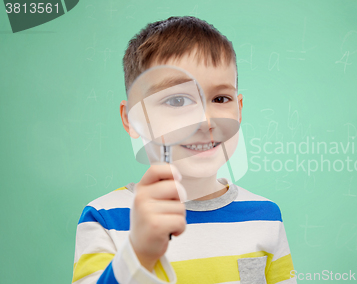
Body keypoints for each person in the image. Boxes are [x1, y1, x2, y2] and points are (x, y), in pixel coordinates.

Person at [72, 16, 296, 284]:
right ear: (132, 119)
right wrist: (138, 254)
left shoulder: (266, 215)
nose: (205, 121)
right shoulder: (105, 218)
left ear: (239, 110)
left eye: (220, 99)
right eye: (177, 100)